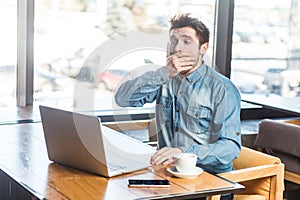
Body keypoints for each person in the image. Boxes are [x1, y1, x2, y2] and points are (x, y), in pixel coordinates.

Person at [115, 13, 241, 200]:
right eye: (174, 41)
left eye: (187, 41)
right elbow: (123, 98)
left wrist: (183, 153)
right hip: (169, 177)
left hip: (210, 182)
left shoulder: (222, 88)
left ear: (203, 48)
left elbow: (230, 147)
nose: (178, 48)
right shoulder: (164, 78)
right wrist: (165, 73)